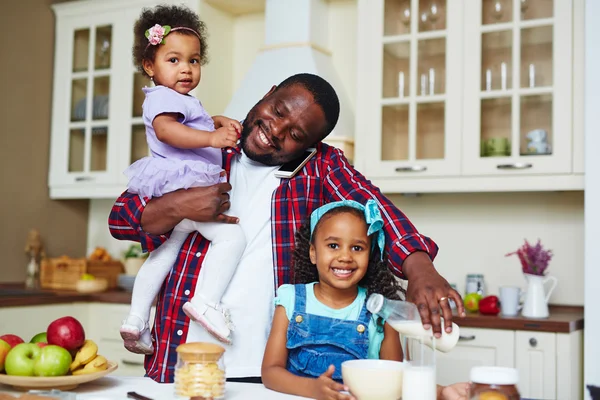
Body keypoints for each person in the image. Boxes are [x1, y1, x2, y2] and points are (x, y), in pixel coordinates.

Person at [109, 72, 466, 383]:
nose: (275, 130)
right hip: (179, 361)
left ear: (311, 144)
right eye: (277, 111)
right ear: (270, 91)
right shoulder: (204, 142)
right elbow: (122, 219)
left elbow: (374, 206)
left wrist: (419, 266)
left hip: (268, 371)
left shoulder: (320, 167)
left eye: (295, 133)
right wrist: (178, 205)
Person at [119, 4, 245, 354]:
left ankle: (136, 320)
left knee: (164, 252)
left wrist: (214, 120)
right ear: (149, 65)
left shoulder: (178, 99)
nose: (186, 69)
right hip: (184, 187)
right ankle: (206, 300)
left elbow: (187, 122)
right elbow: (168, 130)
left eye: (193, 60)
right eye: (173, 60)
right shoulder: (163, 98)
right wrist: (211, 139)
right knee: (232, 239)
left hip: (181, 187)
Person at [262, 200, 468, 400]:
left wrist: (441, 392)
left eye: (357, 248)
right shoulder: (291, 300)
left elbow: (395, 379)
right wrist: (313, 389)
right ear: (313, 253)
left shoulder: (382, 314)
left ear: (370, 256)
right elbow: (270, 372)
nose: (345, 256)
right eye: (333, 245)